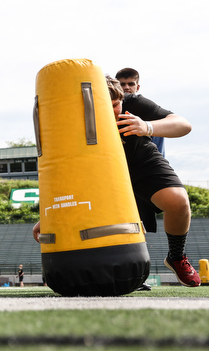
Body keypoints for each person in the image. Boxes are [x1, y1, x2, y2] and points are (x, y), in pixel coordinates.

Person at [33, 76, 199, 287]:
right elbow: (66, 170)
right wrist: (51, 214)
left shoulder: (132, 102)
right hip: (103, 173)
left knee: (178, 201)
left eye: (115, 105)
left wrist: (146, 126)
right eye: (105, 106)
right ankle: (128, 271)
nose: (112, 111)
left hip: (141, 161)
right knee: (122, 224)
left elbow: (184, 125)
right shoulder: (76, 117)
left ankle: (176, 256)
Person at [116, 68, 165, 157]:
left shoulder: (149, 112)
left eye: (131, 84)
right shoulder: (109, 111)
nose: (126, 87)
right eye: (122, 84)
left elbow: (158, 148)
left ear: (137, 87)